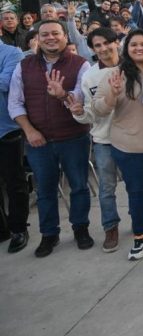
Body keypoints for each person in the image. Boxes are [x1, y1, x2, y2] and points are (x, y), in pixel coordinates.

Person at [8, 20, 93, 257]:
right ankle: (49, 234)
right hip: (39, 141)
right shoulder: (23, 66)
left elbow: (81, 100)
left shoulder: (81, 64)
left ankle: (81, 228)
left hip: (73, 138)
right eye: (45, 34)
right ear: (38, 38)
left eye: (56, 33)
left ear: (66, 36)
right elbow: (15, 103)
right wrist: (29, 131)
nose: (50, 38)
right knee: (45, 190)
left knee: (78, 186)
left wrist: (63, 94)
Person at [92, 30, 143, 260]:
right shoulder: (116, 74)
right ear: (126, 48)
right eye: (134, 44)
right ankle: (141, 235)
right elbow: (99, 109)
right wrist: (112, 95)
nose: (139, 48)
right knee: (138, 192)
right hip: (128, 147)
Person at [69, 27, 123, 253]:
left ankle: (140, 221)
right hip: (104, 140)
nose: (103, 49)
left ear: (116, 42)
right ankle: (111, 226)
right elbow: (90, 112)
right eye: (97, 45)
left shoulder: (131, 66)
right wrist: (79, 112)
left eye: (106, 43)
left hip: (133, 138)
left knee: (138, 186)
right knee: (106, 188)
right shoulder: (89, 76)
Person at [0, 40, 28, 252]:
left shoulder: (11, 53)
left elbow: (4, 83)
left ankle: (19, 228)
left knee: (14, 182)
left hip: (6, 129)